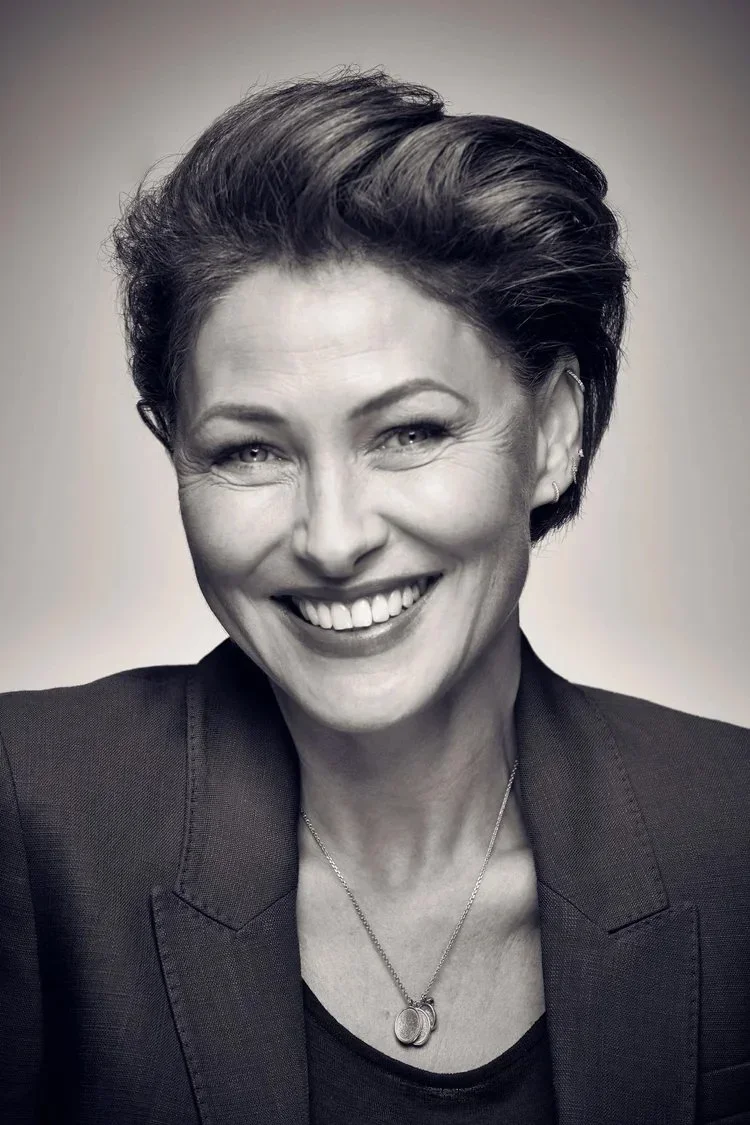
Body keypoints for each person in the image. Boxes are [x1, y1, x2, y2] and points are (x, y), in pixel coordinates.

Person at [0, 69, 747, 1125]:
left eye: (410, 433)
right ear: (173, 451)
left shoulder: (733, 827)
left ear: (554, 435)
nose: (334, 538)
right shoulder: (27, 815)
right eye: (249, 449)